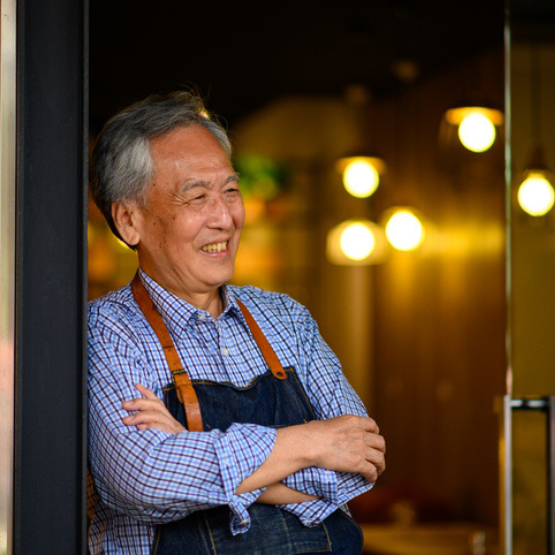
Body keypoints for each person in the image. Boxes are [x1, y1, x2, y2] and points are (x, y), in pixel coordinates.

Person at [87, 90, 386, 555]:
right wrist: (309, 441)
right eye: (198, 197)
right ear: (130, 221)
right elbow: (143, 478)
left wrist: (190, 447)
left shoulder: (286, 318)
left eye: (230, 190)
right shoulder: (108, 329)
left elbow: (360, 458)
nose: (225, 217)